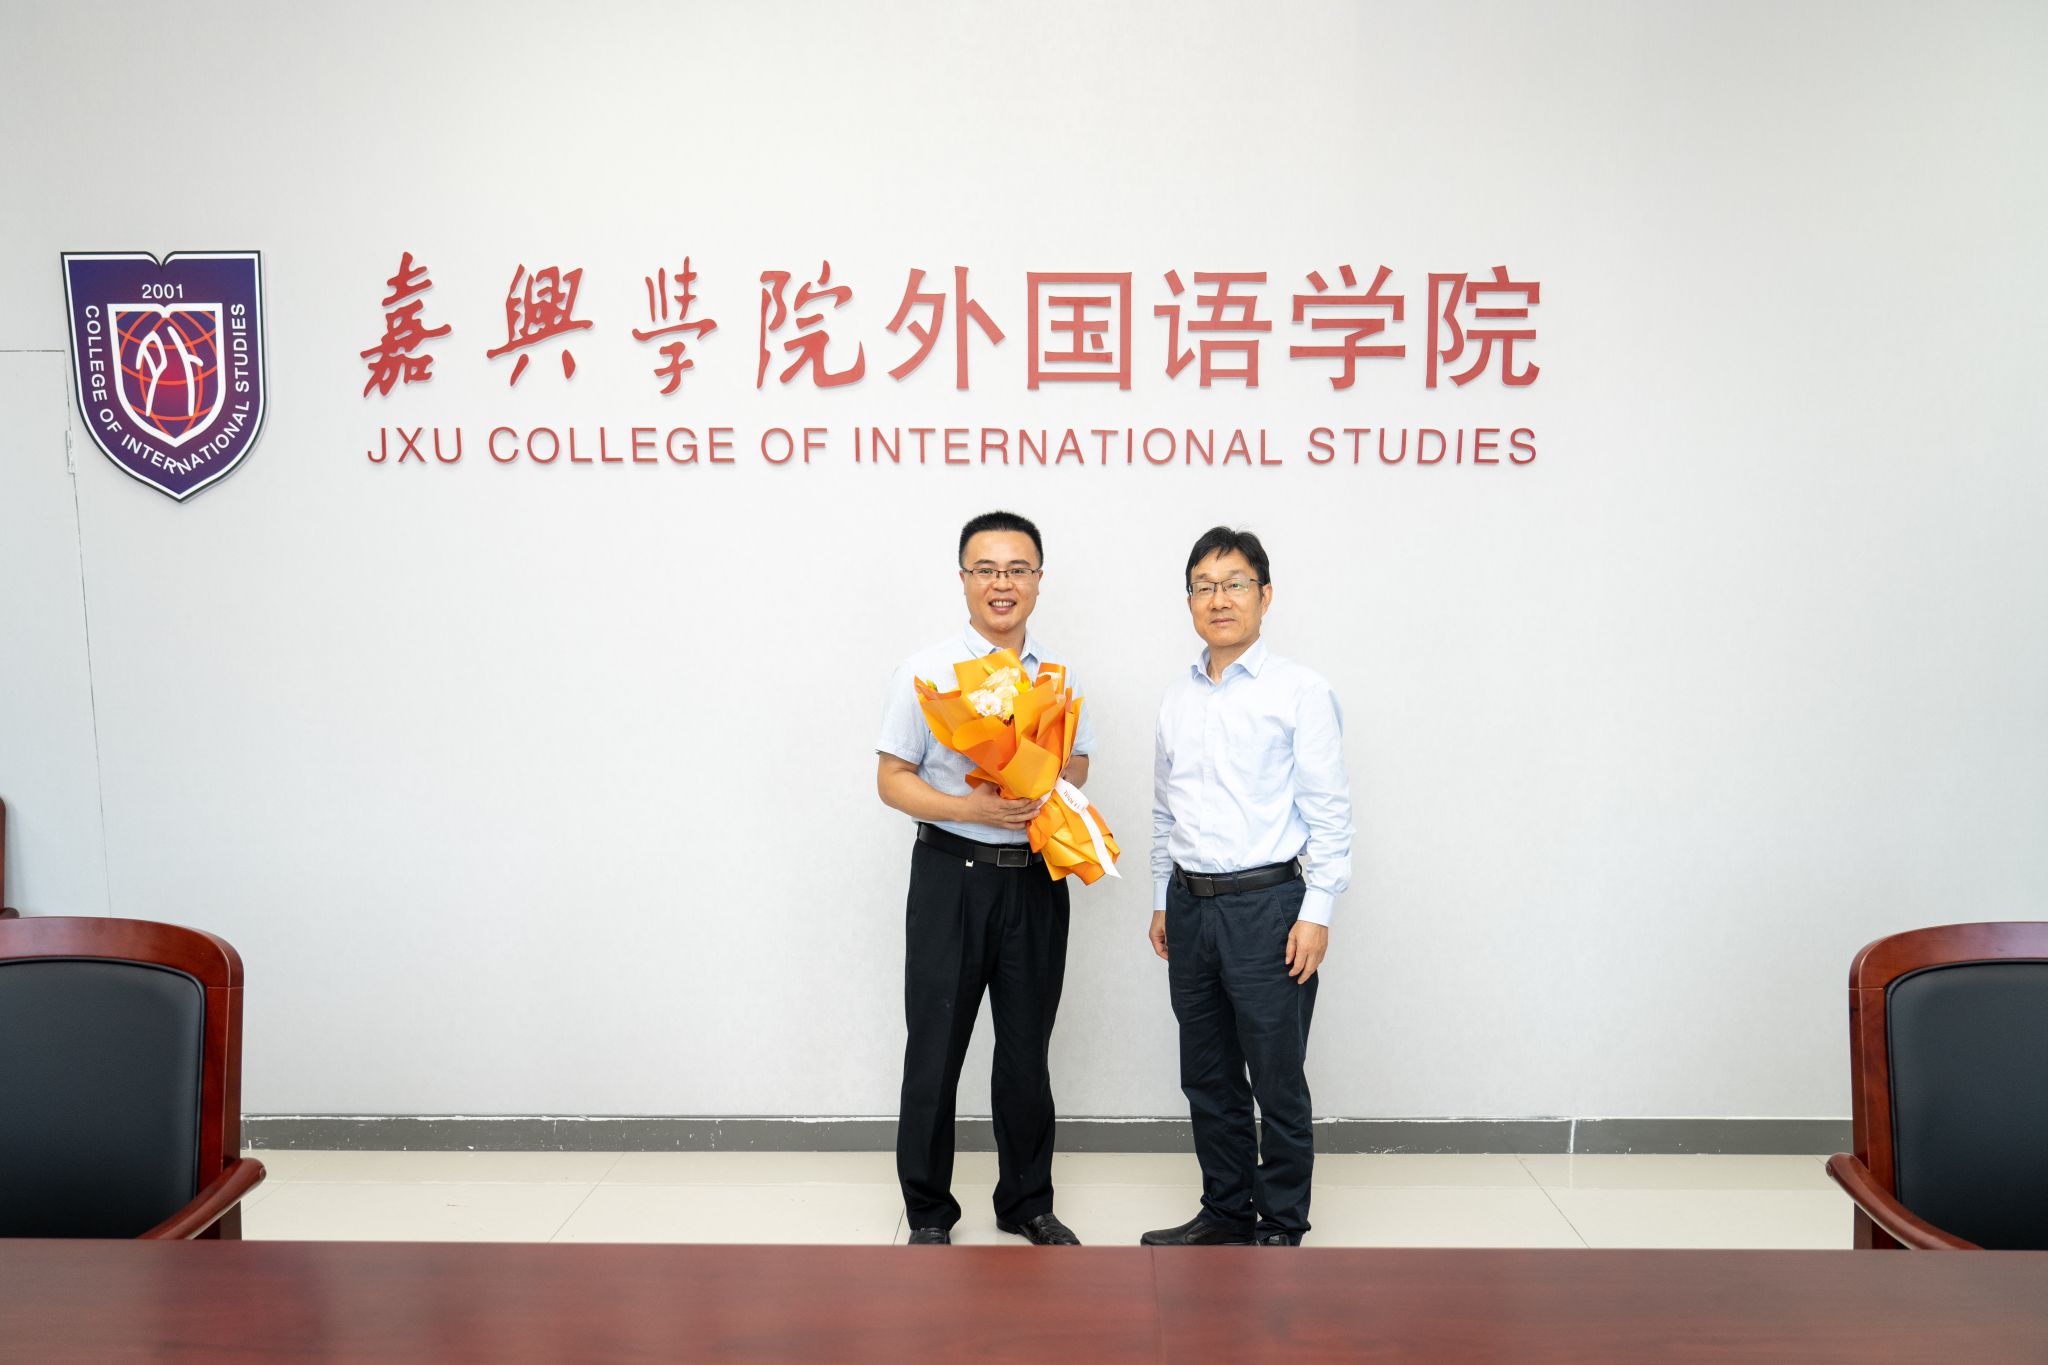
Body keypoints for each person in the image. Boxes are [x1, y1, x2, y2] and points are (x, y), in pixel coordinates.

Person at [875, 510, 1092, 1246]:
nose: (1003, 583)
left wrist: (1042, 774)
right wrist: (972, 805)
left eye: (1018, 569)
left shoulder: (1058, 674)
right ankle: (928, 1212)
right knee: (935, 1049)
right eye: (987, 569)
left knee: (1028, 1050)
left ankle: (1027, 1201)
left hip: (1035, 879)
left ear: (1038, 579)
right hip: (952, 877)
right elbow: (891, 779)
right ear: (964, 579)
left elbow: (1080, 762)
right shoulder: (927, 671)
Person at [1140, 526, 1353, 1248]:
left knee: (1276, 1074)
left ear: (1265, 595)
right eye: (1204, 586)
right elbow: (1164, 809)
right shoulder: (1176, 698)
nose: (1219, 598)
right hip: (1189, 906)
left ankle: (1282, 1222)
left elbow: (1329, 812)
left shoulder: (1301, 691)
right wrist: (1160, 897)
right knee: (1206, 1073)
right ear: (1189, 602)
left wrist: (1317, 910)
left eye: (1235, 584)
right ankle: (1225, 1211)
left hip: (1270, 908)